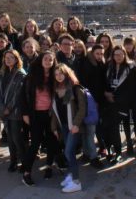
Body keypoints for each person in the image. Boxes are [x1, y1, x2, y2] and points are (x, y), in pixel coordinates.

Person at [21, 51, 59, 186]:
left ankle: (49, 166)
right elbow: (23, 97)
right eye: (46, 59)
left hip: (50, 115)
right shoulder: (31, 76)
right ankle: (26, 172)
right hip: (35, 114)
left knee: (51, 141)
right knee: (35, 143)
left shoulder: (56, 76)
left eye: (51, 59)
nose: (48, 61)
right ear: (41, 60)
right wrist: (25, 114)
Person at [51, 64, 87, 193]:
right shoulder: (55, 89)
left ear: (66, 74)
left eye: (61, 73)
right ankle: (71, 176)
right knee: (69, 153)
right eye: (56, 74)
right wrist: (54, 127)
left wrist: (76, 124)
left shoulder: (75, 88)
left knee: (68, 152)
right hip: (64, 126)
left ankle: (77, 182)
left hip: (74, 126)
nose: (58, 76)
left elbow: (82, 108)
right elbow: (54, 111)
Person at [0, 49, 27, 173]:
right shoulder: (3, 72)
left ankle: (24, 163)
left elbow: (18, 94)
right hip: (4, 111)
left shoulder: (20, 73)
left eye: (11, 58)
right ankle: (13, 161)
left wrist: (8, 108)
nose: (8, 60)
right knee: (10, 138)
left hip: (15, 112)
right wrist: (1, 108)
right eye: (6, 57)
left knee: (17, 138)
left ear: (16, 59)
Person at [75, 44, 106, 168]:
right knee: (90, 131)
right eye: (97, 53)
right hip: (88, 102)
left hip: (93, 101)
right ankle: (93, 157)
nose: (99, 56)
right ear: (92, 53)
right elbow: (88, 85)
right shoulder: (88, 64)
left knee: (88, 130)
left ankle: (86, 153)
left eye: (101, 54)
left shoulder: (99, 64)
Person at [103, 45, 136, 161]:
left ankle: (125, 147)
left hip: (123, 103)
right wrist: (107, 94)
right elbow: (104, 82)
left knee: (122, 125)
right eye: (115, 54)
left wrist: (115, 98)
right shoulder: (108, 66)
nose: (118, 57)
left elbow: (131, 88)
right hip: (109, 102)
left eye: (120, 54)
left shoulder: (130, 67)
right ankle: (113, 149)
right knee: (110, 126)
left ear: (124, 55)